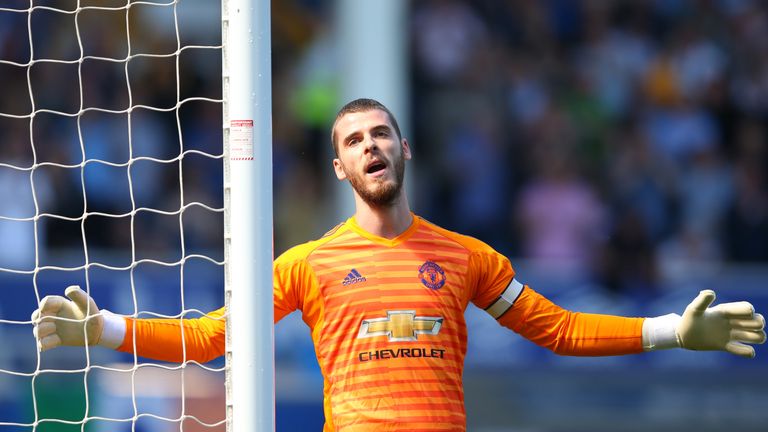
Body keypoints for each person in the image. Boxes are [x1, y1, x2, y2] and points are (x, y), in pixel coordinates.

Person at [31, 98, 766, 431]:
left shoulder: (466, 256)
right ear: (341, 167)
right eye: (355, 141)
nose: (371, 146)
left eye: (382, 133)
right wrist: (108, 329)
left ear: (404, 149)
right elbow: (214, 339)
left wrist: (673, 331)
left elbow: (559, 330)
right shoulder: (307, 264)